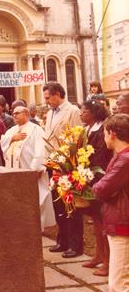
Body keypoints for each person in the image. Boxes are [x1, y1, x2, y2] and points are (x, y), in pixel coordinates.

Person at [43, 82, 83, 258]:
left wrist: (72, 163)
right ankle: (63, 240)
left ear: (58, 94)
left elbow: (77, 139)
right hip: (54, 165)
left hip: (68, 165)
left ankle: (75, 244)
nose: (46, 101)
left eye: (48, 97)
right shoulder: (50, 113)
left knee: (71, 206)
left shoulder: (73, 111)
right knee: (58, 204)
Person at [0, 106, 55, 230]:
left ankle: (35, 229)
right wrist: (12, 138)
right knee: (17, 200)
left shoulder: (36, 129)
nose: (14, 116)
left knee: (34, 200)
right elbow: (2, 142)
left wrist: (36, 169)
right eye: (13, 113)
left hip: (30, 171)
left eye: (17, 113)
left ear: (26, 114)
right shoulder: (11, 130)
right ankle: (20, 226)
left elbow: (41, 150)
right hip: (14, 172)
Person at [93, 114, 129, 291]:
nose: (104, 138)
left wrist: (100, 188)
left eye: (105, 133)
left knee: (118, 283)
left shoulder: (125, 159)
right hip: (120, 220)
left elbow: (101, 189)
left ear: (113, 134)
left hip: (123, 223)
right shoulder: (122, 156)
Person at [79, 99, 112, 276]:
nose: (80, 114)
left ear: (93, 113)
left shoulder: (101, 129)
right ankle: (98, 255)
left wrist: (90, 175)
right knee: (95, 220)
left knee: (103, 220)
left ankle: (108, 261)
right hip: (89, 177)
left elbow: (100, 155)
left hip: (99, 176)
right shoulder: (86, 129)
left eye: (83, 111)